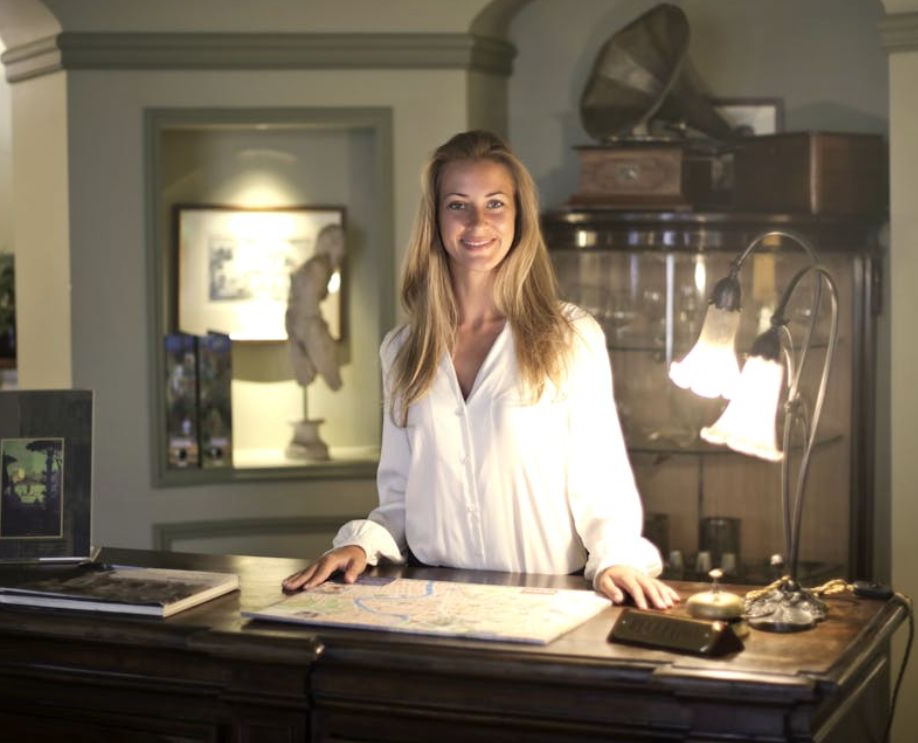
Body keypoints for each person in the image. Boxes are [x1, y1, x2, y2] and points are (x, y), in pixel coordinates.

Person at [282, 130, 678, 610]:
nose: (477, 222)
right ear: (435, 219)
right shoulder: (402, 349)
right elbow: (401, 496)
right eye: (458, 205)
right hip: (432, 602)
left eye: (495, 204)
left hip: (548, 602)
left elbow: (601, 478)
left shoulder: (570, 336)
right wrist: (362, 544)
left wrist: (616, 559)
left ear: (518, 216)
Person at [285, 223, 345, 391]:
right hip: (307, 324)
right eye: (340, 243)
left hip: (299, 323)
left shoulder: (317, 267)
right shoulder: (319, 268)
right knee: (332, 377)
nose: (344, 250)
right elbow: (306, 304)